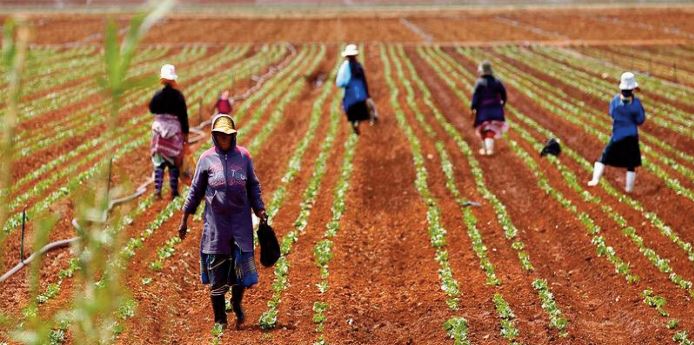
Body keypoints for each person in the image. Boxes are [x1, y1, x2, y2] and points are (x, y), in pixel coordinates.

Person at [178, 114, 268, 329]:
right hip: (216, 226)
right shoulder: (206, 159)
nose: (224, 138)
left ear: (233, 135)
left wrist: (260, 209)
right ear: (214, 136)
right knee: (218, 273)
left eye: (227, 135)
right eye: (220, 135)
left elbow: (253, 186)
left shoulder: (244, 157)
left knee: (239, 272)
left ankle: (236, 302)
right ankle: (220, 319)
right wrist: (185, 218)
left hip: (240, 224)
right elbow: (196, 191)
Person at [588, 72, 645, 193]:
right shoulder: (636, 104)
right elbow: (641, 120)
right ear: (632, 89)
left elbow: (612, 113)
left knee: (603, 158)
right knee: (630, 165)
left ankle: (595, 180)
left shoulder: (615, 101)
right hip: (631, 136)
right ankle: (629, 189)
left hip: (617, 136)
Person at [150, 64, 189, 199]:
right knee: (174, 164)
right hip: (174, 132)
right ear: (173, 80)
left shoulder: (158, 95)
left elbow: (152, 108)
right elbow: (183, 116)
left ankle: (157, 191)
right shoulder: (178, 96)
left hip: (159, 131)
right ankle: (174, 192)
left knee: (159, 163)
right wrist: (185, 135)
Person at [470, 61, 508, 156]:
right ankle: (488, 149)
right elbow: (504, 94)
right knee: (491, 129)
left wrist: (473, 107)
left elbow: (475, 96)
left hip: (483, 110)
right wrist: (502, 104)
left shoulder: (479, 83)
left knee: (484, 129)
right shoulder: (497, 81)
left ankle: (487, 149)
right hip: (496, 109)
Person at [336, 44, 375, 135]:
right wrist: (366, 93)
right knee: (361, 110)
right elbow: (363, 80)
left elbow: (340, 82)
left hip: (350, 94)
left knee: (351, 110)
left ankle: (355, 123)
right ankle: (365, 121)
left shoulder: (345, 67)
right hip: (359, 93)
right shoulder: (358, 66)